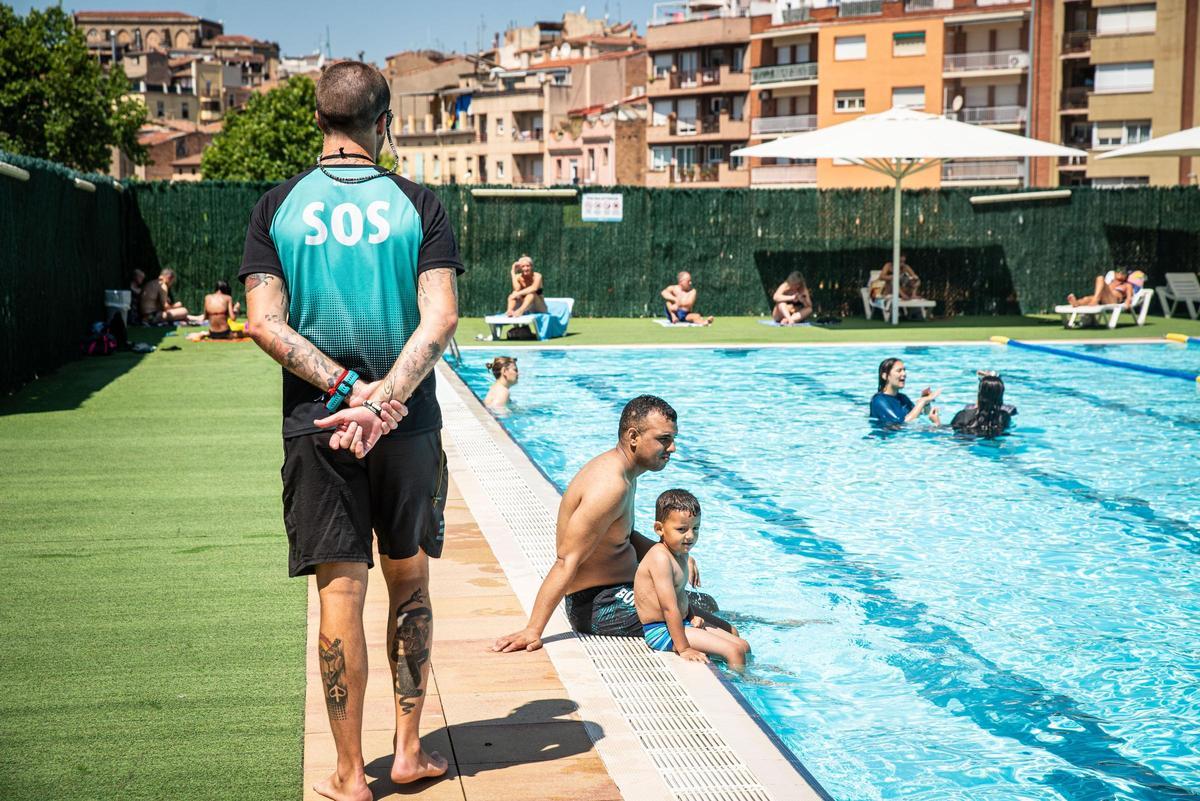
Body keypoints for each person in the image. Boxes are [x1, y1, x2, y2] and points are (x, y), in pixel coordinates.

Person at [239, 60, 463, 801]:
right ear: (384, 121)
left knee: (341, 593)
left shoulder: (277, 206)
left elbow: (264, 323)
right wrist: (385, 400)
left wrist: (346, 392)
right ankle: (406, 752)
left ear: (317, 120)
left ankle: (346, 774)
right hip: (406, 425)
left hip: (319, 422)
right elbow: (441, 319)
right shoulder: (419, 205)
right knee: (410, 581)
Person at [492, 395, 731, 653]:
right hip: (599, 604)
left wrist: (674, 556)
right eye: (664, 439)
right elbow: (566, 560)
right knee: (714, 631)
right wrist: (533, 630)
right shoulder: (610, 487)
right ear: (633, 437)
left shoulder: (626, 472)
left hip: (621, 589)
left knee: (706, 603)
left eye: (673, 439)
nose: (672, 448)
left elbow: (624, 535)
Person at [635, 489, 750, 671]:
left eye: (695, 528)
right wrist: (685, 648)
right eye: (682, 529)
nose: (690, 535)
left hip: (682, 623)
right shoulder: (660, 558)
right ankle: (743, 684)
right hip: (662, 631)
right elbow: (668, 607)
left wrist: (690, 616)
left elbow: (680, 594)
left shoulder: (679, 554)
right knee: (734, 651)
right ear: (659, 529)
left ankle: (741, 672)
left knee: (741, 643)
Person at [870, 357, 941, 425]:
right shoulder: (878, 401)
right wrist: (922, 401)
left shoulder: (903, 398)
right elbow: (902, 423)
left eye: (904, 370)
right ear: (885, 376)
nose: (904, 374)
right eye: (899, 371)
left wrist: (926, 403)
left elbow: (919, 415)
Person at [1068, 269, 1133, 308]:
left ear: (1126, 276)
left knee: (1100, 278)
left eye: (1124, 272)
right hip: (1102, 299)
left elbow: (1129, 297)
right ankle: (1076, 303)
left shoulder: (1127, 285)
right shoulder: (1110, 283)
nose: (1121, 273)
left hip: (1113, 301)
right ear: (1115, 273)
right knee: (1087, 299)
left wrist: (1127, 302)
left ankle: (1095, 300)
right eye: (1118, 271)